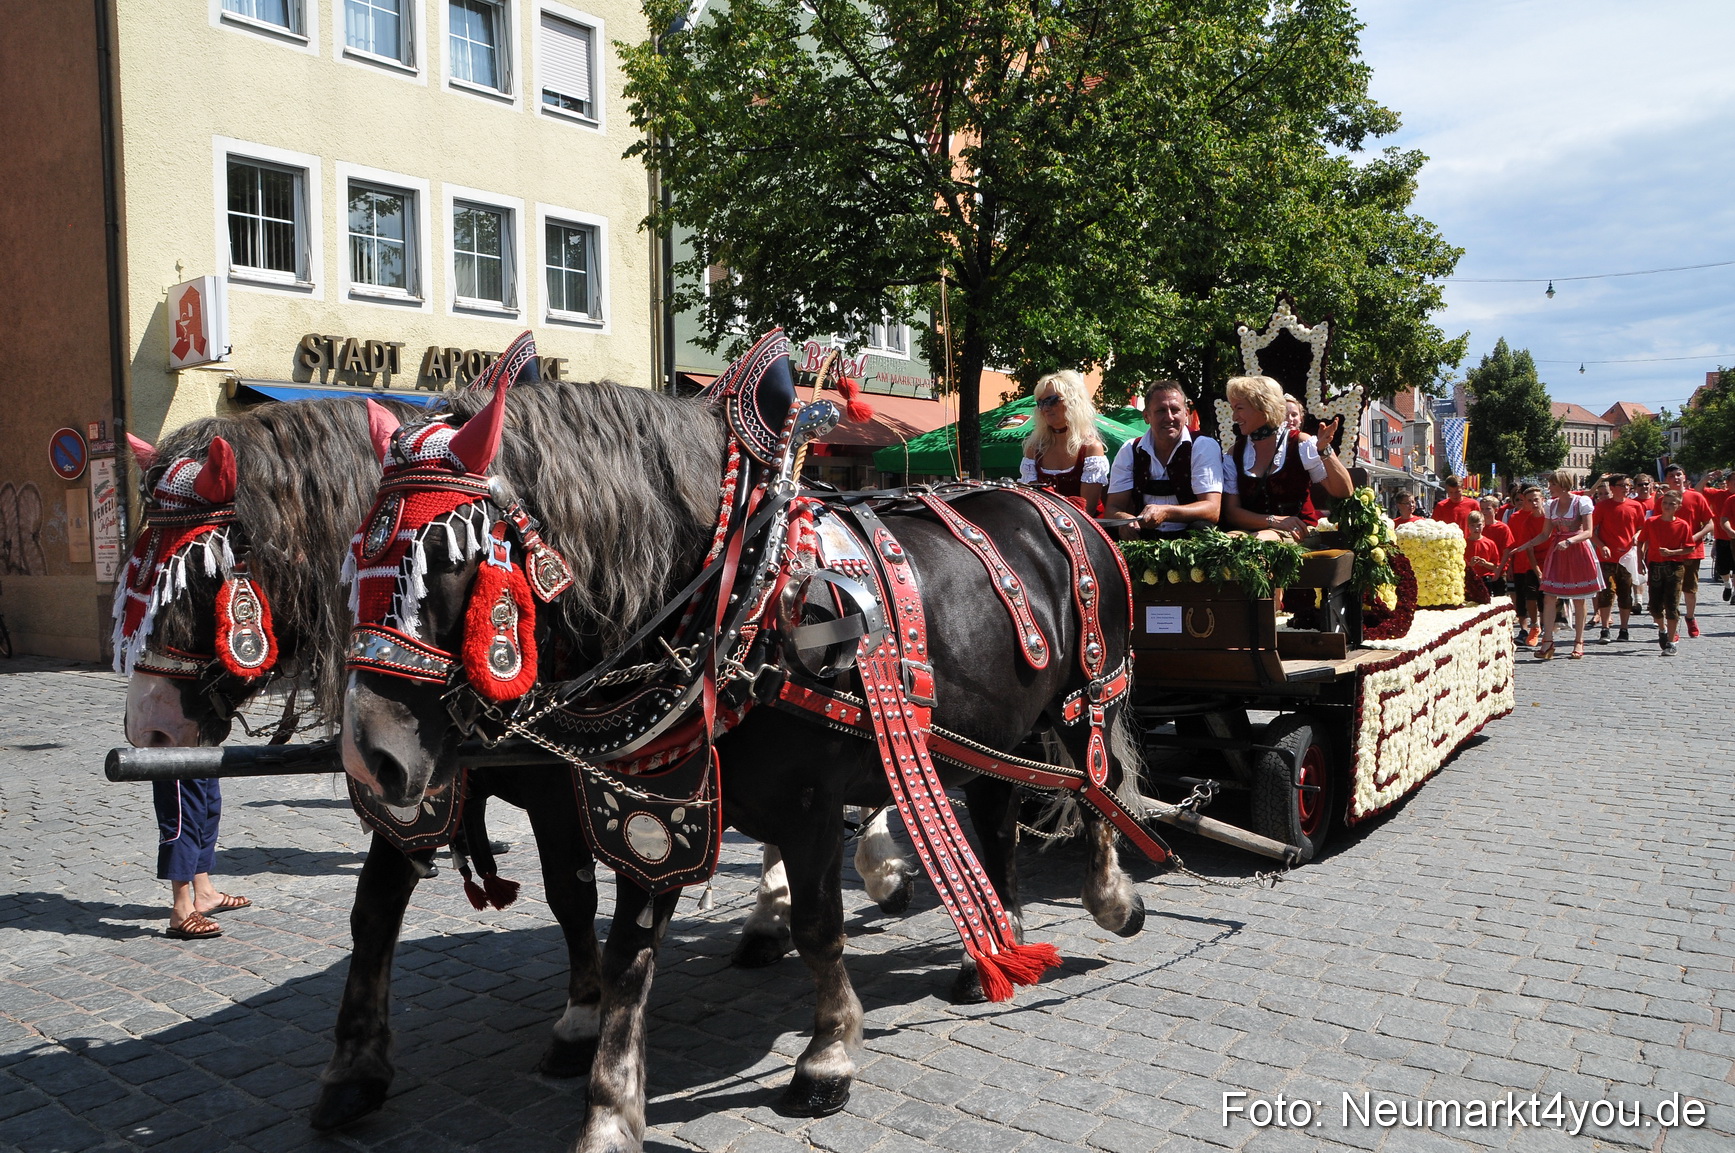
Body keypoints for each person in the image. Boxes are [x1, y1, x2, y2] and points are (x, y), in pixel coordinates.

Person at [1216, 375, 1351, 541]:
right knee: (1225, 544)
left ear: (1263, 407)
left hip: (1298, 530)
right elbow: (1232, 513)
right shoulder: (1234, 453)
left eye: (1239, 408)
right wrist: (1273, 521)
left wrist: (1324, 450)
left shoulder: (1300, 443)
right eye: (1233, 409)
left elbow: (1344, 491)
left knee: (1257, 543)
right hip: (1254, 530)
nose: (1234, 417)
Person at [1105, 379, 1223, 538]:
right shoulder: (1130, 450)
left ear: (1186, 413)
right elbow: (1112, 507)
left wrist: (1166, 512)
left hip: (1191, 540)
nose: (1169, 417)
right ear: (1146, 416)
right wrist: (1124, 519)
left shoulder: (1203, 446)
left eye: (1175, 410)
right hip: (1142, 537)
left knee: (1203, 528)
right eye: (1161, 410)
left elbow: (1212, 509)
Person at [1517, 470, 1601, 660]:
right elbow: (1545, 534)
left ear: (1563, 486)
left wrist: (1570, 541)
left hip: (1578, 550)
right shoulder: (1551, 505)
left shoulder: (1581, 503)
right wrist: (1526, 544)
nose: (1549, 488)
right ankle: (1548, 641)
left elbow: (1588, 532)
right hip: (1558, 553)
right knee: (1549, 595)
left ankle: (1579, 641)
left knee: (1579, 598)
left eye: (1552, 484)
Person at [155, 778, 249, 939]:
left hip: (197, 751)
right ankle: (182, 909)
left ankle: (205, 893)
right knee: (183, 816)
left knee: (208, 808)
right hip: (176, 754)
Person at [1019, 369, 1108, 514]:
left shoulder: (1091, 448)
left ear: (1073, 401)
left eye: (1051, 400)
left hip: (1086, 530)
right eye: (1040, 403)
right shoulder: (1034, 449)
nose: (1045, 408)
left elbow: (1088, 510)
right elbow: (1030, 504)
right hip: (1045, 528)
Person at [1591, 473, 1646, 643]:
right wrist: (1602, 545)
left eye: (1628, 485)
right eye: (1622, 485)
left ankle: (1624, 628)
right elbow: (1590, 531)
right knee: (1606, 593)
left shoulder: (1635, 506)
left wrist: (1637, 536)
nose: (1626, 488)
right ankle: (1605, 629)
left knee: (1625, 593)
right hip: (1607, 557)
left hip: (1627, 557)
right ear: (1613, 488)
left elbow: (1642, 527)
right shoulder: (1603, 506)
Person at [1661, 464, 1714, 637]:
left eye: (1678, 474)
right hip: (1668, 551)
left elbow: (1710, 523)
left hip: (1691, 551)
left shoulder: (1696, 497)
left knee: (1689, 589)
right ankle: (1672, 626)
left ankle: (1690, 617)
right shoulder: (1662, 499)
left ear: (1684, 477)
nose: (1675, 478)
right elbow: (1655, 522)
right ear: (1666, 479)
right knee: (1670, 590)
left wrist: (1695, 537)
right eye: (1671, 476)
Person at [1641, 488, 1694, 656]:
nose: (1668, 506)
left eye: (1672, 504)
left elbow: (1688, 548)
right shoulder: (1651, 522)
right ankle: (1662, 629)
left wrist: (1672, 552)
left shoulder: (1682, 525)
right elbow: (1641, 541)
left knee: (1672, 606)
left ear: (1678, 506)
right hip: (1655, 566)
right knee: (1654, 607)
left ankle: (1671, 642)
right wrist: (1639, 561)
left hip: (1675, 567)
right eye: (1665, 503)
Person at [1505, 485, 1548, 647]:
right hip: (1523, 563)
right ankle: (1529, 628)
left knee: (1545, 598)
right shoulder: (1518, 518)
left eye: (1535, 499)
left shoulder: (1548, 518)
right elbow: (1516, 545)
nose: (1531, 503)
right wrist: (1509, 565)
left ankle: (1544, 627)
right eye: (1525, 500)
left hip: (1545, 563)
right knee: (1525, 597)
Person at [1477, 495, 1512, 596]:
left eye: (1488, 509)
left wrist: (1499, 569)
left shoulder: (1502, 528)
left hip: (1498, 572)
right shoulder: (1478, 527)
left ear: (1496, 510)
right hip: (1481, 572)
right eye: (1482, 509)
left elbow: (1507, 551)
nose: (1484, 511)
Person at [1465, 511, 1501, 593]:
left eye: (1479, 525)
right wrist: (1470, 565)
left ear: (1484, 524)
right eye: (1472, 526)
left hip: (1486, 579)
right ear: (1468, 526)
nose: (1476, 529)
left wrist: (1485, 563)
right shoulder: (1464, 544)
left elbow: (1496, 566)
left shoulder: (1490, 543)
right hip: (1468, 579)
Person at [1716, 471, 1735, 602]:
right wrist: (1730, 531)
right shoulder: (1730, 500)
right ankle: (1728, 585)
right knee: (1723, 568)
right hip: (1726, 537)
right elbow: (1724, 519)